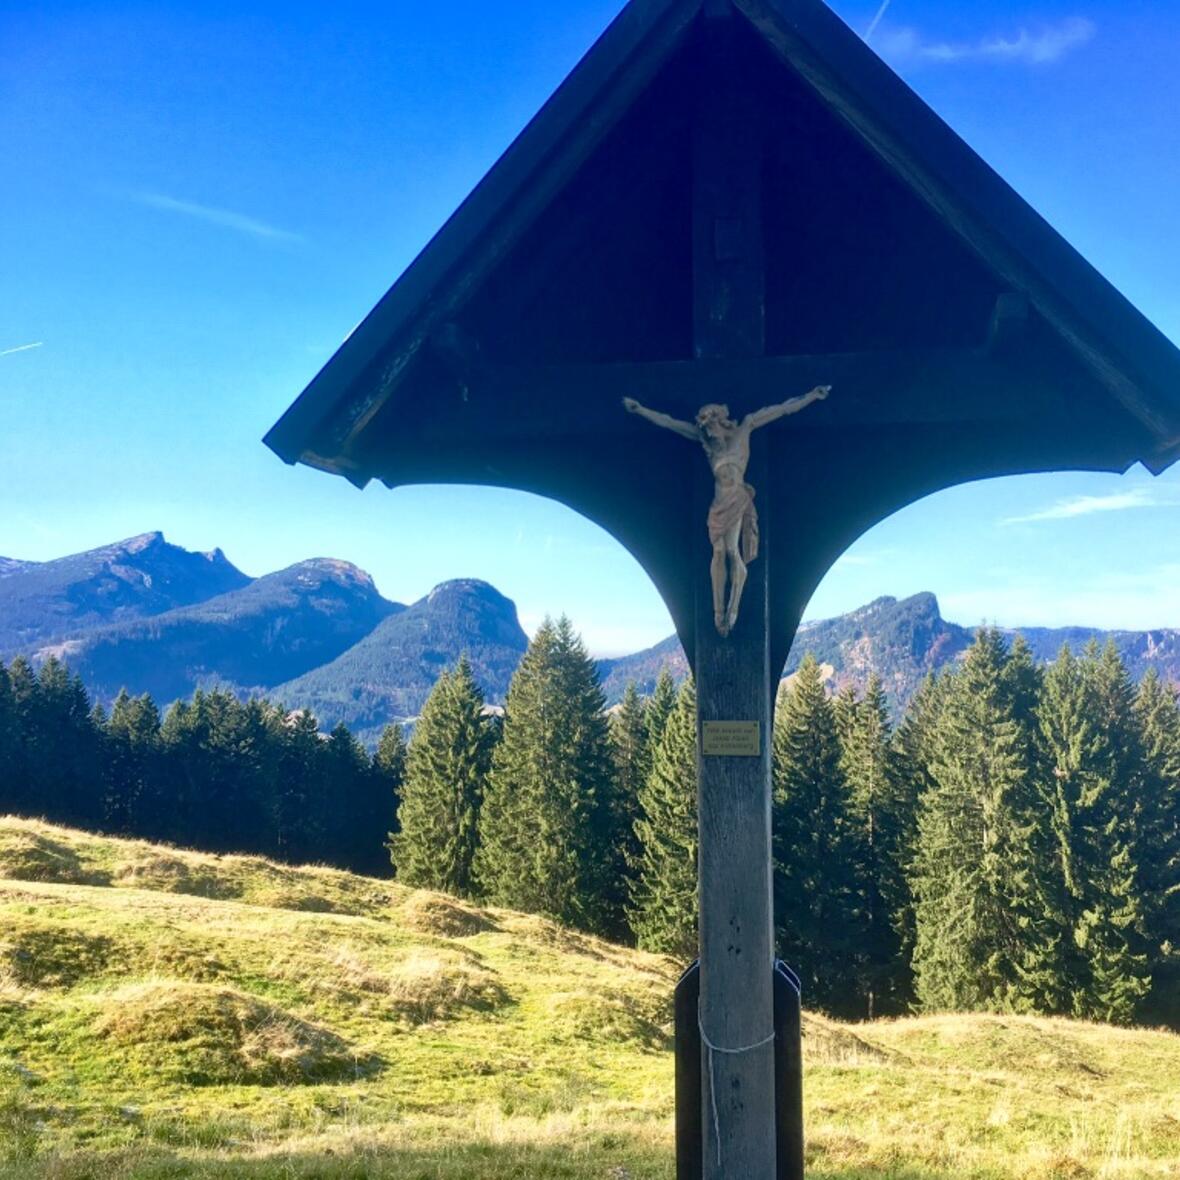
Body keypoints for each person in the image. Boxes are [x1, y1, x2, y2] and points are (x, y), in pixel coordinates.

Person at [623, 386, 830, 635]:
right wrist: (641, 410)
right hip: (718, 503)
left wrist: (811, 396)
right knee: (719, 551)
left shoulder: (745, 429)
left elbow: (782, 410)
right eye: (705, 428)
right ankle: (718, 611)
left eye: (710, 425)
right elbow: (669, 423)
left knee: (732, 551)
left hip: (737, 498)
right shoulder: (707, 442)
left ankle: (733, 609)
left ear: (720, 421)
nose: (708, 431)